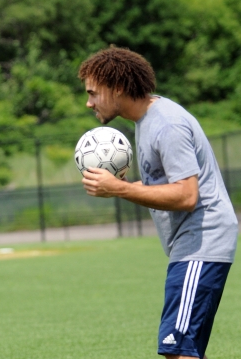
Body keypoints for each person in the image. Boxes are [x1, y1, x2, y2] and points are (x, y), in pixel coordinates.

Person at [77, 46, 238, 359]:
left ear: (118, 88)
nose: (89, 102)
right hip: (191, 246)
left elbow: (187, 195)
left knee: (178, 350)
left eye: (93, 93)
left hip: (202, 240)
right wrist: (120, 187)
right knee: (181, 349)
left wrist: (119, 190)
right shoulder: (147, 119)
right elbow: (165, 186)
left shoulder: (167, 125)